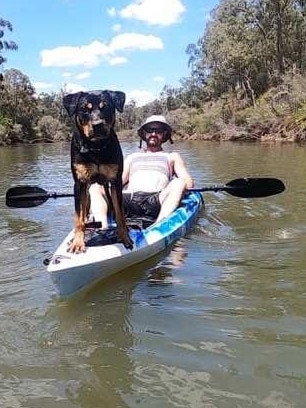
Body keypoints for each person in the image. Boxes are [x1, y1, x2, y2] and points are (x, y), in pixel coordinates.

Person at [89, 115, 194, 228]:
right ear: (144, 134)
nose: (153, 134)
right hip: (128, 199)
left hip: (155, 200)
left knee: (179, 182)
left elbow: (188, 183)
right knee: (96, 186)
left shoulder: (172, 156)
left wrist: (177, 188)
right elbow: (118, 181)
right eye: (150, 130)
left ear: (164, 134)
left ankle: (159, 225)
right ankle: (102, 228)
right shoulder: (132, 157)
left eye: (158, 130)